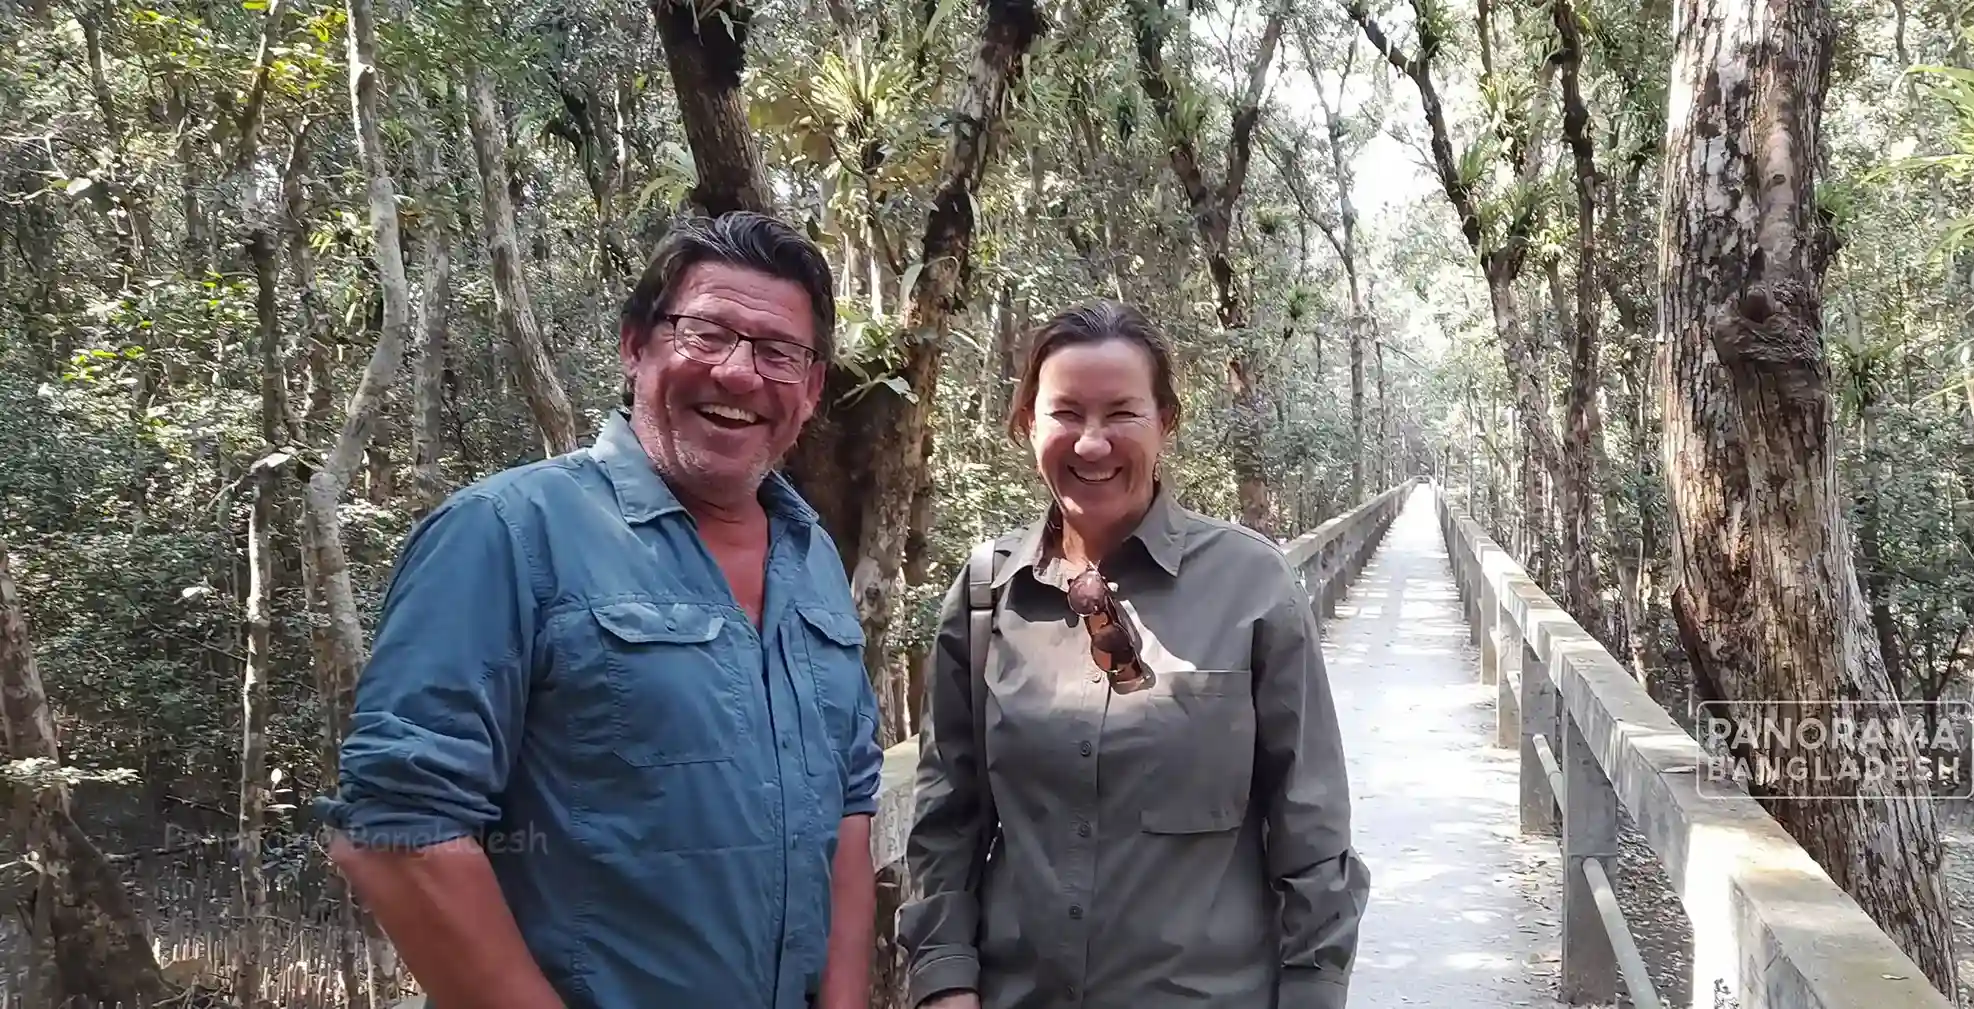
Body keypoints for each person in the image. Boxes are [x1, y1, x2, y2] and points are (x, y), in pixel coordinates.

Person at [311, 212, 883, 1009]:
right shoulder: (507, 531)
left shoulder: (813, 555)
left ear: (812, 387)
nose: (740, 373)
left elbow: (852, 799)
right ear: (634, 345)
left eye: (777, 352)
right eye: (707, 333)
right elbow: (398, 827)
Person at [897, 301, 1369, 1009]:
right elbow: (947, 813)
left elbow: (1310, 815)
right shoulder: (986, 594)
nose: (1091, 443)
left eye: (1120, 413)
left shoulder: (1250, 581)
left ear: (1165, 423)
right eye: (1064, 413)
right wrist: (943, 978)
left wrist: (1313, 985)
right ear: (1027, 424)